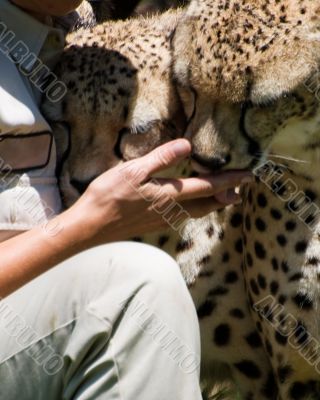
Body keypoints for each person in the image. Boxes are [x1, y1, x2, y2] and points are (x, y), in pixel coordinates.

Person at [0, 0, 253, 399]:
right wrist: (88, 225)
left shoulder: (57, 28)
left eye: (134, 129)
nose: (85, 171)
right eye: (65, 125)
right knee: (135, 289)